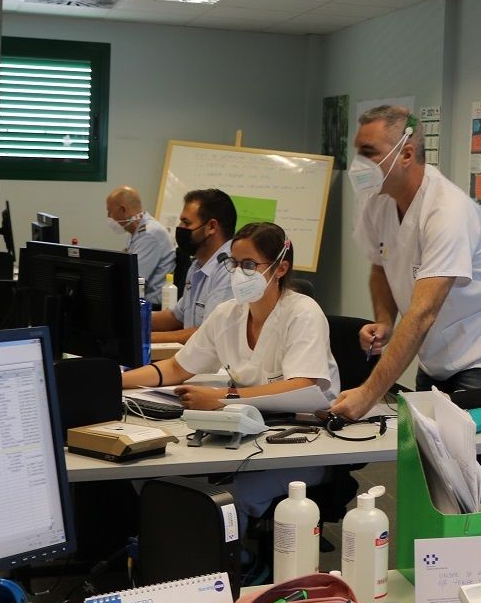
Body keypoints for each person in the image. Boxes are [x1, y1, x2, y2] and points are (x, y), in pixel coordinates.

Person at [329, 105, 481, 509]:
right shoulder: (378, 200)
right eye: (358, 151)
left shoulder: (447, 209)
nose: (360, 163)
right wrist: (383, 320)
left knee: (469, 456)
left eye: (370, 151)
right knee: (429, 445)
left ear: (406, 154)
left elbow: (424, 311)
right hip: (441, 338)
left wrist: (368, 393)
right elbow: (380, 265)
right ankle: (441, 548)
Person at [122, 221, 341, 517]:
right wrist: (118, 380)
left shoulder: (302, 314)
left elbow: (303, 385)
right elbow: (176, 367)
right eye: (234, 263)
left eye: (249, 264)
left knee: (227, 499)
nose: (238, 273)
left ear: (280, 268)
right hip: (245, 433)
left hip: (303, 441)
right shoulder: (228, 313)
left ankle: (245, 561)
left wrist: (224, 398)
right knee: (153, 479)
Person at [150, 188, 236, 344]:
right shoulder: (198, 264)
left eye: (186, 222)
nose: (180, 228)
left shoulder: (229, 268)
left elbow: (207, 334)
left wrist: (143, 338)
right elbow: (176, 317)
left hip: (213, 367)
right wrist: (132, 320)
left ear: (211, 227)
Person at [105, 186, 176, 306]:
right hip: (139, 302)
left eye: (110, 211)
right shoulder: (134, 231)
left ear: (123, 210)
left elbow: (134, 280)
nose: (108, 216)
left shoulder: (150, 234)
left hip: (151, 307)